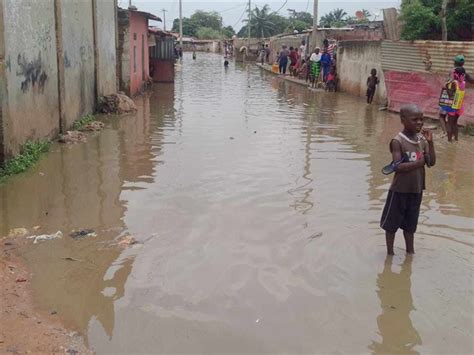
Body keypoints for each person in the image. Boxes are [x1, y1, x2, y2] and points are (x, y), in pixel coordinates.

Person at [380, 104, 436, 255]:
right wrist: (419, 162)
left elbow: (431, 162)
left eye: (421, 119)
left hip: (416, 190)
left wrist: (430, 142)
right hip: (399, 190)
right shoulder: (397, 141)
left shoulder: (421, 140)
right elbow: (398, 166)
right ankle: (389, 254)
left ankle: (410, 253)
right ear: (403, 120)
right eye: (414, 119)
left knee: (410, 226)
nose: (419, 123)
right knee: (391, 225)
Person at [439, 55, 474, 142]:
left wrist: (445, 87)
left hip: (451, 103)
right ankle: (456, 140)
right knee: (455, 123)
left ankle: (449, 141)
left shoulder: (453, 80)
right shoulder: (463, 81)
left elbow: (450, 93)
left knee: (449, 122)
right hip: (459, 103)